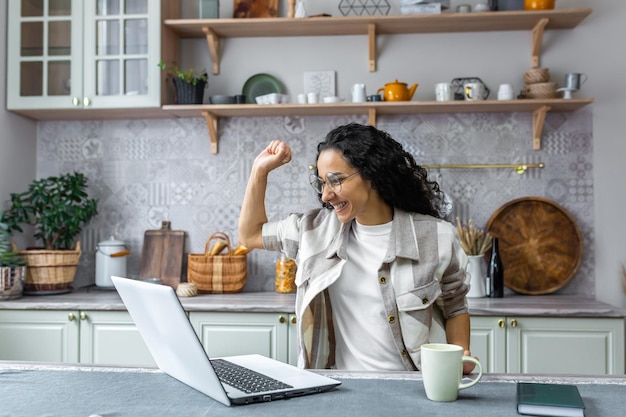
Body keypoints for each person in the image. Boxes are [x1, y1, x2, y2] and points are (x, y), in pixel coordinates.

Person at [238, 122, 474, 373]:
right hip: (342, 389)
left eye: (335, 181)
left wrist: (460, 356)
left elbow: (455, 307)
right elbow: (250, 234)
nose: (326, 195)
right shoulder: (313, 231)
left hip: (418, 386)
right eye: (322, 184)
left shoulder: (436, 236)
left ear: (371, 174)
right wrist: (259, 171)